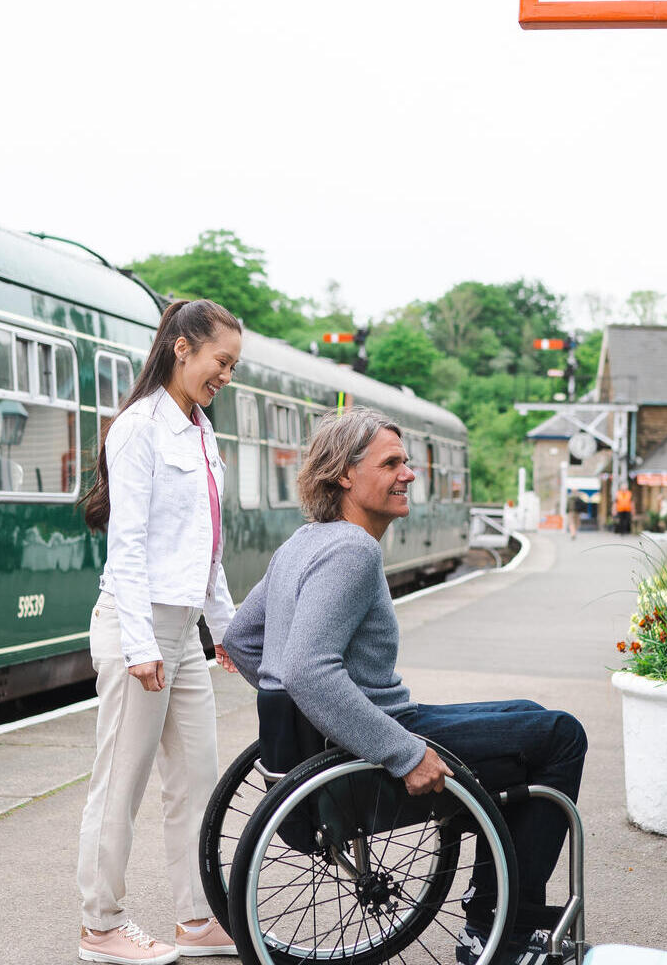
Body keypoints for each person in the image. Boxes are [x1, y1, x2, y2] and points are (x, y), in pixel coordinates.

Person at [222, 408, 587, 965]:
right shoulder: (353, 550)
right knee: (560, 736)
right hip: (372, 751)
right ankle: (500, 931)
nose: (408, 474)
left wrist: (300, 716)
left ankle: (493, 911)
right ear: (344, 475)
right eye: (391, 463)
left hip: (335, 745)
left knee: (528, 714)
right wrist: (398, 750)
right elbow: (305, 670)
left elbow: (245, 641)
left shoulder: (302, 542)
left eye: (406, 462)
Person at [76, 299, 243, 965]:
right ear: (182, 348)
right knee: (121, 783)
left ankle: (198, 919)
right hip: (134, 628)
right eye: (220, 361)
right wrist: (143, 646)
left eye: (231, 365)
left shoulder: (202, 432)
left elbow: (208, 548)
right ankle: (101, 926)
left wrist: (226, 631)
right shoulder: (138, 429)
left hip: (183, 634)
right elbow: (131, 542)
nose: (224, 375)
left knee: (197, 780)